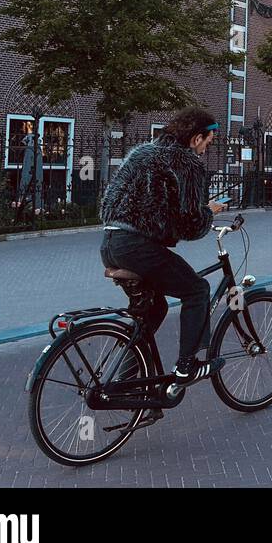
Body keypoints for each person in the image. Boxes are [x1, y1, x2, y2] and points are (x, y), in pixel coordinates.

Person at [99, 108, 227, 389]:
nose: (207, 148)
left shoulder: (142, 152)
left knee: (154, 309)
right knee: (196, 290)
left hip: (110, 242)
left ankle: (126, 379)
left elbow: (112, 200)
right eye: (209, 141)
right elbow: (190, 226)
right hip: (137, 247)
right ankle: (187, 366)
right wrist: (209, 212)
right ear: (195, 139)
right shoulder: (185, 163)